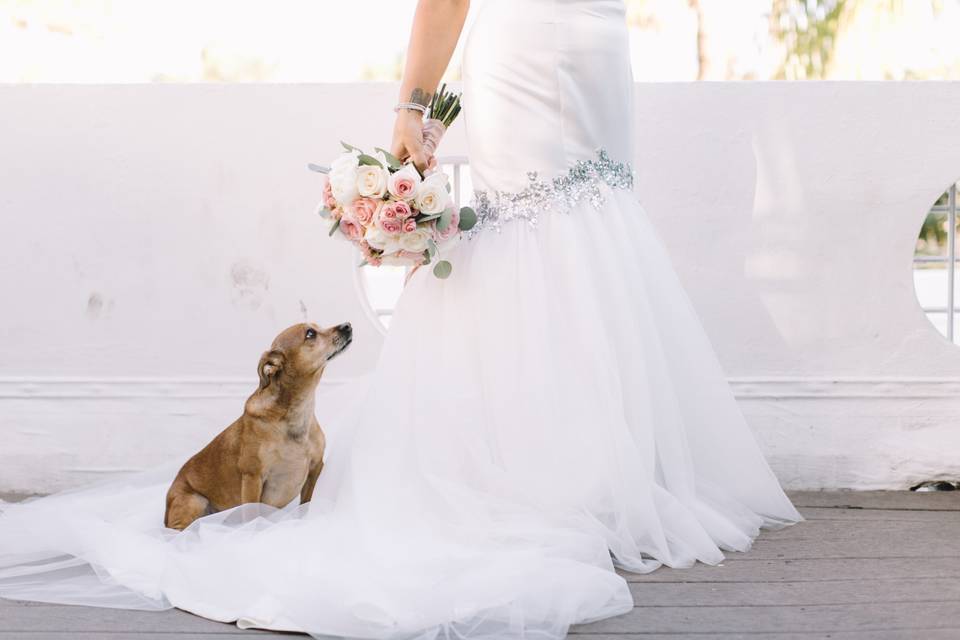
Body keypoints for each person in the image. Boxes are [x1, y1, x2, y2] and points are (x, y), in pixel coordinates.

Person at [0, 0, 802, 637]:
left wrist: (410, 109)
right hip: (592, 35)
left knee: (553, 226)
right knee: (569, 226)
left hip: (555, 41)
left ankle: (559, 468)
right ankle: (583, 468)